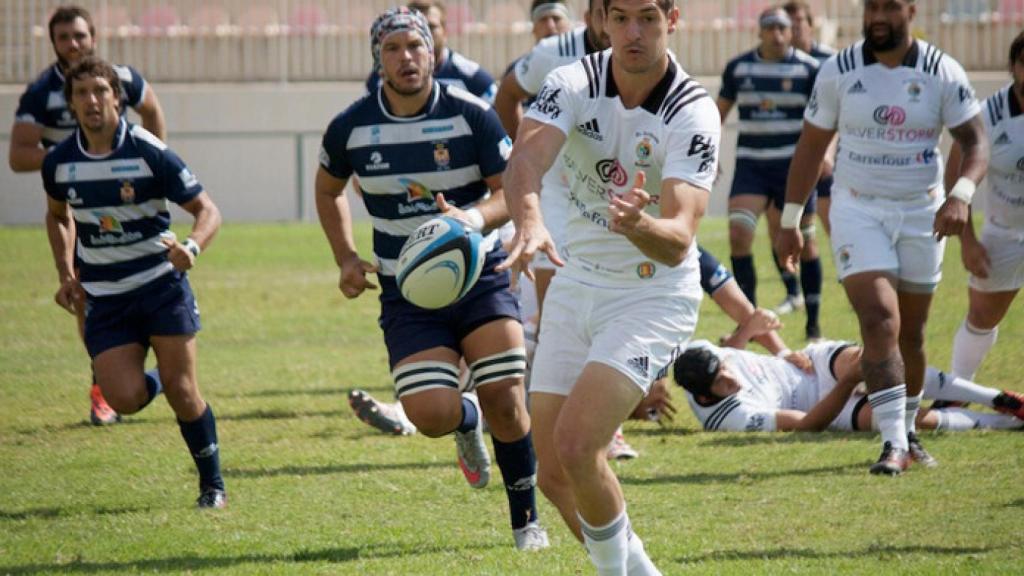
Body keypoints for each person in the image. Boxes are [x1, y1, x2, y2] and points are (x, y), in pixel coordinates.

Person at [316, 8, 548, 551]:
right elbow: (328, 190)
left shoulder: (472, 114)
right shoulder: (350, 126)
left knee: (509, 402)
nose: (406, 58)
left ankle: (526, 522)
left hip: (481, 277)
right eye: (393, 49)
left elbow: (509, 190)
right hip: (407, 292)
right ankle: (467, 421)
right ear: (379, 58)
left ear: (432, 51)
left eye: (415, 47)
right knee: (430, 414)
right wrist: (346, 258)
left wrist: (470, 218)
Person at [501, 1, 719, 572]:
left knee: (577, 445)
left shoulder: (693, 110)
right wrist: (529, 218)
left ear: (673, 18)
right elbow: (525, 160)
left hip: (652, 295)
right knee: (550, 471)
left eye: (648, 17)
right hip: (577, 283)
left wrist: (638, 224)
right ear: (600, 18)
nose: (633, 33)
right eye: (619, 17)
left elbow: (678, 237)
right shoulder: (571, 81)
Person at [776, 0, 988, 475]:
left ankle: (908, 430)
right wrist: (791, 220)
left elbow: (975, 141)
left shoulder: (941, 70)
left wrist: (961, 194)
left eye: (889, 7)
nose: (878, 17)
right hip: (857, 208)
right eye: (871, 6)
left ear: (911, 10)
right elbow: (811, 146)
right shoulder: (839, 69)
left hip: (921, 213)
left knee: (910, 334)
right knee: (879, 321)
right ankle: (892, 443)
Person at [41, 57, 225, 508]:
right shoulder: (60, 163)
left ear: (118, 99)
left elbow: (208, 211)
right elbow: (57, 216)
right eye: (81, 94)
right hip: (104, 296)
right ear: (71, 104)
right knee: (123, 398)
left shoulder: (148, 150)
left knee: (185, 393)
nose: (92, 101)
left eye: (101, 91)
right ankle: (159, 379)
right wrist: (66, 273)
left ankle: (212, 486)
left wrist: (192, 248)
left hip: (160, 285)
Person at [9, 5, 166, 426]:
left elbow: (152, 110)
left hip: (128, 201)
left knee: (152, 284)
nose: (73, 44)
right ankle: (104, 388)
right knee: (84, 297)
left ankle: (161, 364)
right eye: (64, 37)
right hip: (77, 205)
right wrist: (75, 162)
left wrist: (152, 165)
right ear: (54, 43)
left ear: (93, 37)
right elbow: (18, 155)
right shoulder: (41, 92)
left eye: (79, 36)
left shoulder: (122, 78)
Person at [493, 1, 611, 336]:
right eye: (610, 14)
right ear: (589, 19)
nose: (622, 25)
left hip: (611, 176)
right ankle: (550, 337)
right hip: (556, 176)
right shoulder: (552, 53)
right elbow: (507, 92)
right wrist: (524, 156)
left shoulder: (642, 55)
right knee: (550, 257)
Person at [717, 7, 823, 340]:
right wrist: (707, 153)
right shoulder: (738, 68)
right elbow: (715, 114)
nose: (777, 34)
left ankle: (813, 324)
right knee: (738, 235)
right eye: (770, 28)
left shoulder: (809, 70)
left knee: (804, 243)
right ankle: (749, 319)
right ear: (759, 32)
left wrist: (828, 154)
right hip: (751, 165)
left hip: (795, 169)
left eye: (783, 28)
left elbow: (826, 121)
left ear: (791, 32)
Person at [675, 340, 1024, 433]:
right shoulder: (728, 418)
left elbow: (736, 342)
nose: (731, 377)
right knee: (895, 417)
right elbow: (806, 423)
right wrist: (847, 383)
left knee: (878, 362)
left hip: (817, 362)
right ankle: (1008, 423)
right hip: (827, 406)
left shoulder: (702, 350)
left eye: (725, 368)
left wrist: (781, 349)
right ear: (704, 396)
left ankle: (998, 398)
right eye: (722, 382)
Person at [947, 31, 1024, 384]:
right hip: (1005, 234)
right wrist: (967, 241)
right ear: (1013, 67)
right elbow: (955, 169)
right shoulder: (988, 114)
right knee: (982, 314)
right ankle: (958, 389)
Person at [364, 1, 497, 103]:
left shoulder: (472, 77)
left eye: (431, 27)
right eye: (417, 28)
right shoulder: (380, 77)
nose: (425, 34)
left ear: (445, 30)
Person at [782, 1, 838, 236]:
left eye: (799, 23)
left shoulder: (833, 61)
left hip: (827, 153)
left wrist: (828, 152)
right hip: (793, 155)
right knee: (792, 226)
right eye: (788, 24)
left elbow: (840, 112)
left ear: (811, 25)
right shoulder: (777, 64)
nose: (794, 29)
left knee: (833, 222)